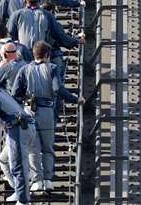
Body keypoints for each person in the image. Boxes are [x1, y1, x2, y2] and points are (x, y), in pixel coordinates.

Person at [12, 41, 86, 191]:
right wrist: (75, 99)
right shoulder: (52, 68)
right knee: (47, 147)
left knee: (33, 147)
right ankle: (48, 179)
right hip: (47, 110)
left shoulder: (24, 70)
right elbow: (58, 89)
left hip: (29, 110)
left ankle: (37, 180)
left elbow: (15, 93)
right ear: (46, 55)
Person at [0, 73, 37, 205]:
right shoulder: (1, 91)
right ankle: (18, 191)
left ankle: (23, 202)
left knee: (18, 165)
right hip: (27, 126)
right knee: (4, 160)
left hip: (18, 130)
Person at [7, 0, 82, 51]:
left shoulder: (16, 14)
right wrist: (76, 40)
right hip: (41, 54)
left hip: (23, 54)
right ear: (39, 1)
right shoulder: (47, 15)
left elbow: (11, 35)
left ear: (25, 1)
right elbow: (59, 36)